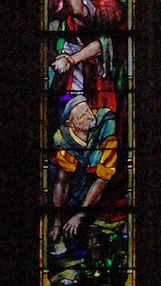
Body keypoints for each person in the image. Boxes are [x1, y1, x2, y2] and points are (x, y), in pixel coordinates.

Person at [49, 93, 118, 249]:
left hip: (107, 183)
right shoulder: (63, 140)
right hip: (80, 183)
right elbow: (61, 181)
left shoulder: (106, 123)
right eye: (82, 116)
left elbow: (103, 178)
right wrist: (57, 222)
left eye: (88, 110)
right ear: (70, 123)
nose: (89, 116)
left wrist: (81, 214)